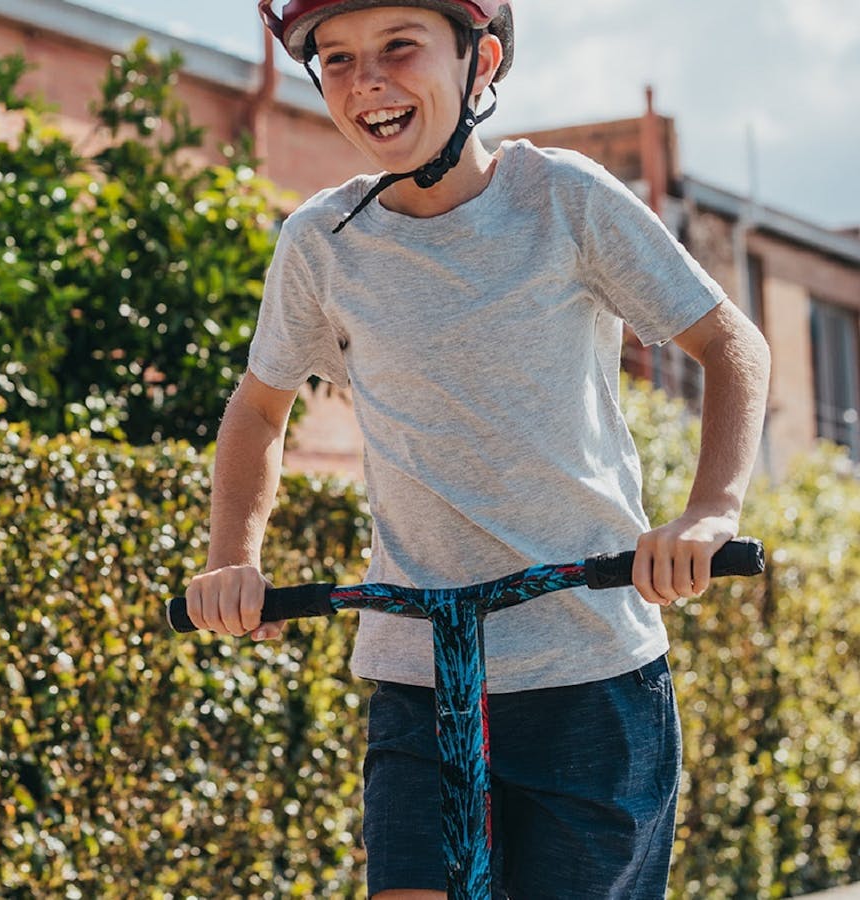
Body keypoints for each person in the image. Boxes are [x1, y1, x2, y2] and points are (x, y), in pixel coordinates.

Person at [185, 2, 771, 897]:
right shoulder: (321, 243)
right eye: (335, 60)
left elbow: (733, 346)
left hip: (589, 668)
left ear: (482, 61)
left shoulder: (564, 200)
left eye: (398, 48)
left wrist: (708, 512)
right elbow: (256, 413)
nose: (365, 81)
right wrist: (233, 557)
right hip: (419, 675)